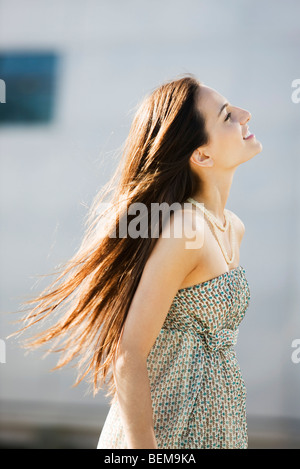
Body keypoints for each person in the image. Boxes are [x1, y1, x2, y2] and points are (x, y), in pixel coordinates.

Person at [17, 74, 262, 449]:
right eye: (227, 115)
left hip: (218, 425)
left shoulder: (233, 228)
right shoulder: (185, 230)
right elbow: (128, 352)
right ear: (201, 154)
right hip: (165, 434)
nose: (245, 115)